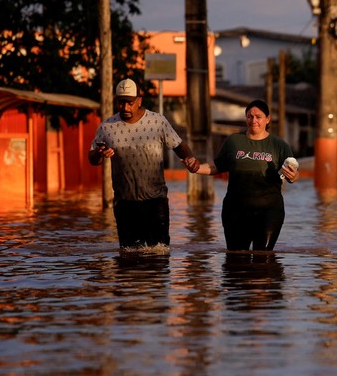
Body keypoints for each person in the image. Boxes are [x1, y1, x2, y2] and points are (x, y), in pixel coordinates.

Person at [88, 78, 200, 249]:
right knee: (128, 257)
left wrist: (190, 159)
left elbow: (178, 145)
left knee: (159, 254)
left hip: (155, 202)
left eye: (129, 103)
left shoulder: (157, 122)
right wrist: (99, 153)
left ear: (139, 101)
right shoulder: (107, 127)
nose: (125, 108)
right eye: (121, 102)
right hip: (125, 203)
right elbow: (93, 159)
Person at [195, 99, 299, 251]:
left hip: (269, 210)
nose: (253, 120)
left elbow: (294, 174)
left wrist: (293, 176)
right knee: (236, 260)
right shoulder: (234, 141)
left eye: (258, 116)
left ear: (267, 119)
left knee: (263, 261)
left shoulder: (279, 145)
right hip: (235, 210)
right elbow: (218, 165)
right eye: (249, 116)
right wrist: (196, 167)